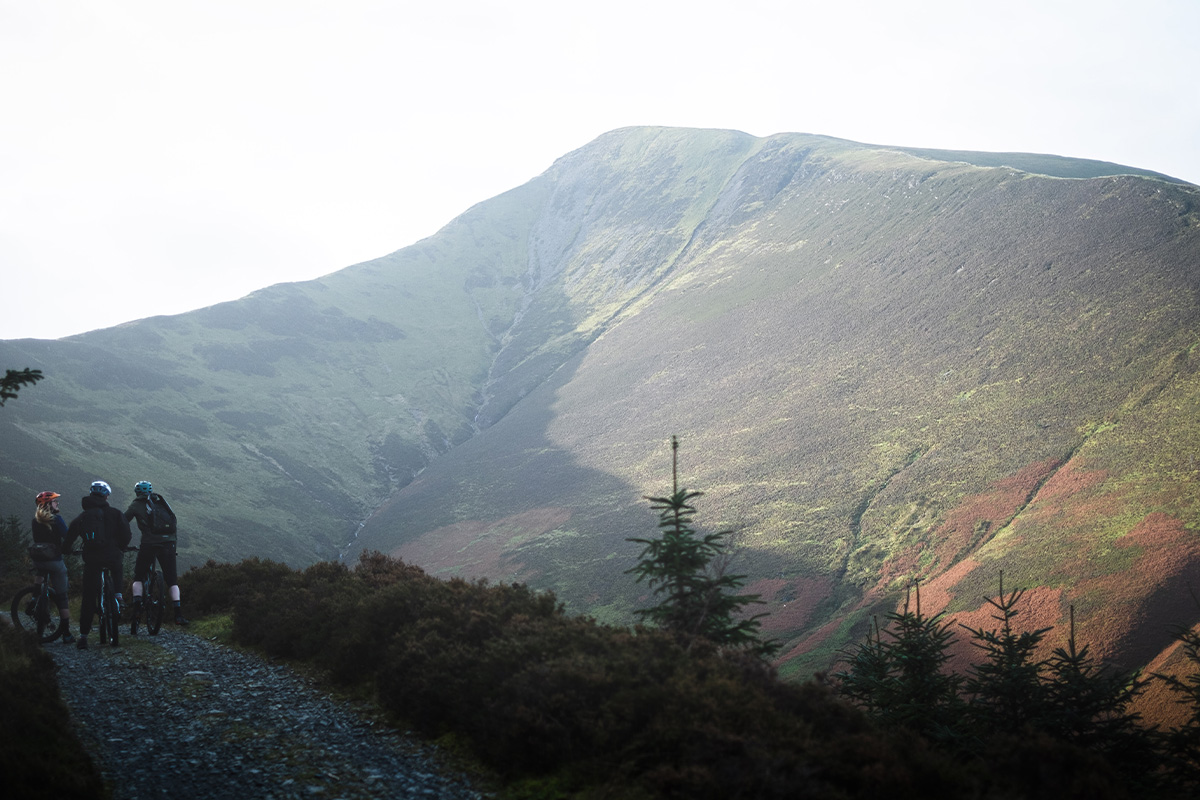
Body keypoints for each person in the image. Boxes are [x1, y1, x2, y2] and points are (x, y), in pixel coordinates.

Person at [63, 480, 132, 649]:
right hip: (113, 556)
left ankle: (84, 637)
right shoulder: (116, 513)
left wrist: (66, 550)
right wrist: (120, 548)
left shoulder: (83, 516)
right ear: (106, 496)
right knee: (117, 567)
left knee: (88, 597)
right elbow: (127, 534)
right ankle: (118, 596)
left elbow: (70, 535)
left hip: (92, 560)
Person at [124, 480, 189, 628]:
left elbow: (123, 520)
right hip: (169, 543)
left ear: (137, 493)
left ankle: (137, 611)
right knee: (172, 580)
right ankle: (178, 615)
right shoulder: (161, 502)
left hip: (149, 544)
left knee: (138, 577)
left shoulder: (136, 505)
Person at [29, 491, 74, 644]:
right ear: (48, 504)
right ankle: (67, 633)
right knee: (62, 597)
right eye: (55, 502)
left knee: (41, 569)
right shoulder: (57, 519)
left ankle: (35, 597)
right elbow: (67, 536)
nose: (57, 504)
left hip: (38, 559)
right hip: (54, 560)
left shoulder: (35, 520)